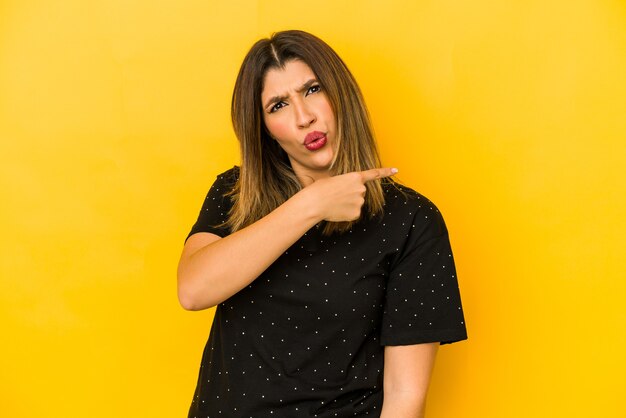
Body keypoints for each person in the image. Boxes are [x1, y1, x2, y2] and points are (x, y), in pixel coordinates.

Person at [178, 30, 467, 418]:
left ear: (340, 94)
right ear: (263, 128)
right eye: (278, 105)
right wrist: (311, 204)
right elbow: (193, 290)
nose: (304, 116)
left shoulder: (411, 220)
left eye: (312, 90)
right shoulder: (235, 192)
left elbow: (405, 397)